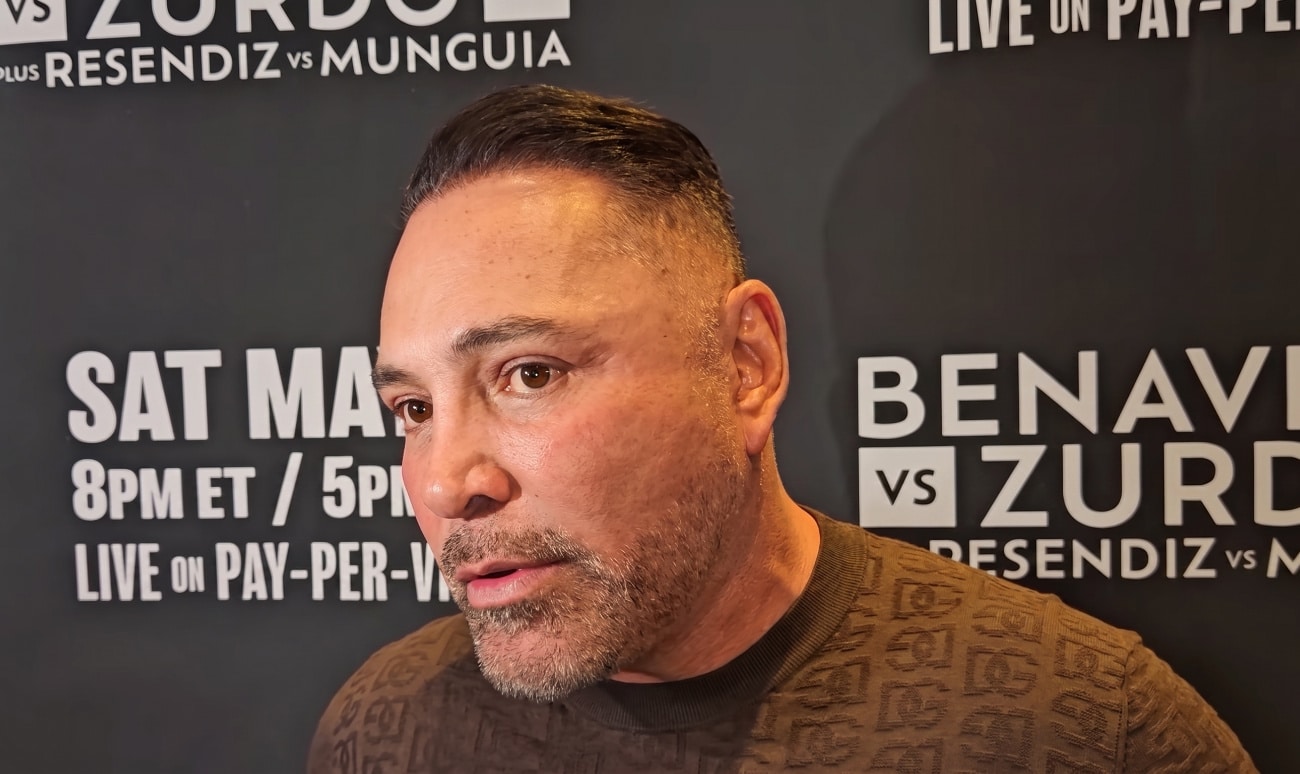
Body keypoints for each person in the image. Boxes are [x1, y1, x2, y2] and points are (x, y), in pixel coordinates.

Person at [308, 84, 1255, 773]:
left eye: (529, 375)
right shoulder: (386, 731)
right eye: (413, 409)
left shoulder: (1078, 725)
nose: (446, 482)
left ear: (745, 364)